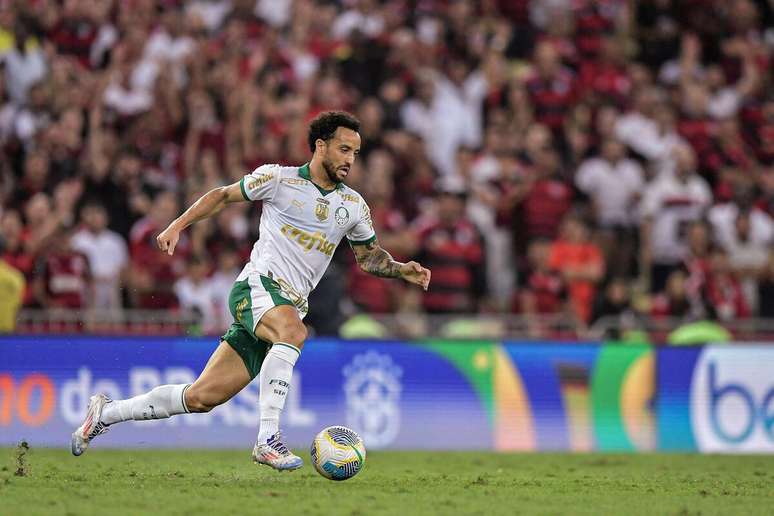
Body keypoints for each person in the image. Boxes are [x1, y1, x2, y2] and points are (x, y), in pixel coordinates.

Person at [70, 111, 431, 471]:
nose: (350, 160)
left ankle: (105, 413)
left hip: (286, 304)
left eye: (355, 152)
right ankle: (267, 439)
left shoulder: (352, 206)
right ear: (320, 147)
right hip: (257, 286)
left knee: (201, 397)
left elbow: (368, 257)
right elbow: (223, 196)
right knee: (293, 332)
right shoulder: (279, 179)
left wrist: (400, 269)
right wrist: (178, 225)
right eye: (344, 149)